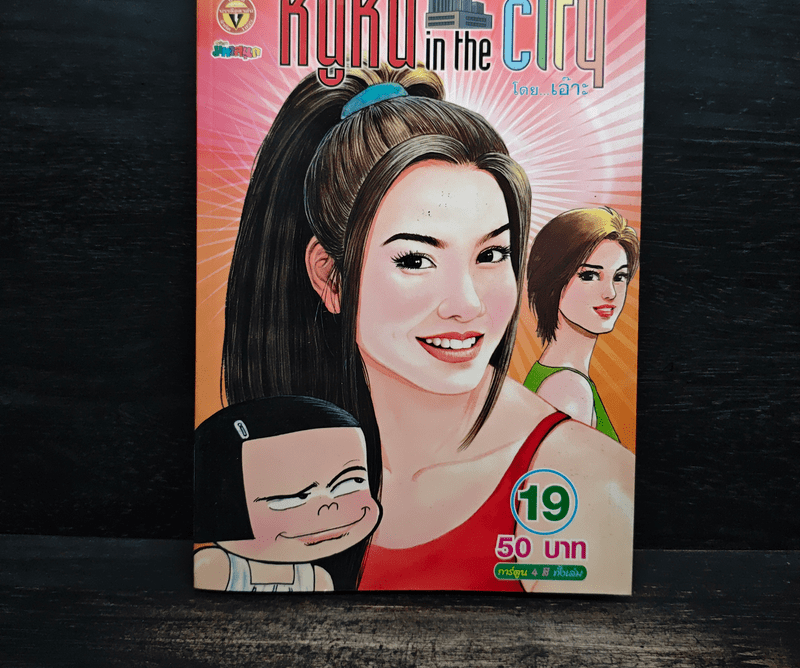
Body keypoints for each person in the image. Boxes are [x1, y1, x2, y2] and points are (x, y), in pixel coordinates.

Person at [222, 66, 635, 593]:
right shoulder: (267, 471)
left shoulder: (587, 483)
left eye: (492, 254)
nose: (467, 305)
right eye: (416, 260)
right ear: (331, 277)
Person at [194, 395, 381, 592]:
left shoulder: (318, 580)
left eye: (350, 482)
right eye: (289, 498)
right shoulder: (216, 568)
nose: (327, 506)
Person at [524, 207, 640, 441]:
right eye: (589, 276)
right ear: (551, 281)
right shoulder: (569, 390)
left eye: (619, 277)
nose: (610, 293)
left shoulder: (555, 377)